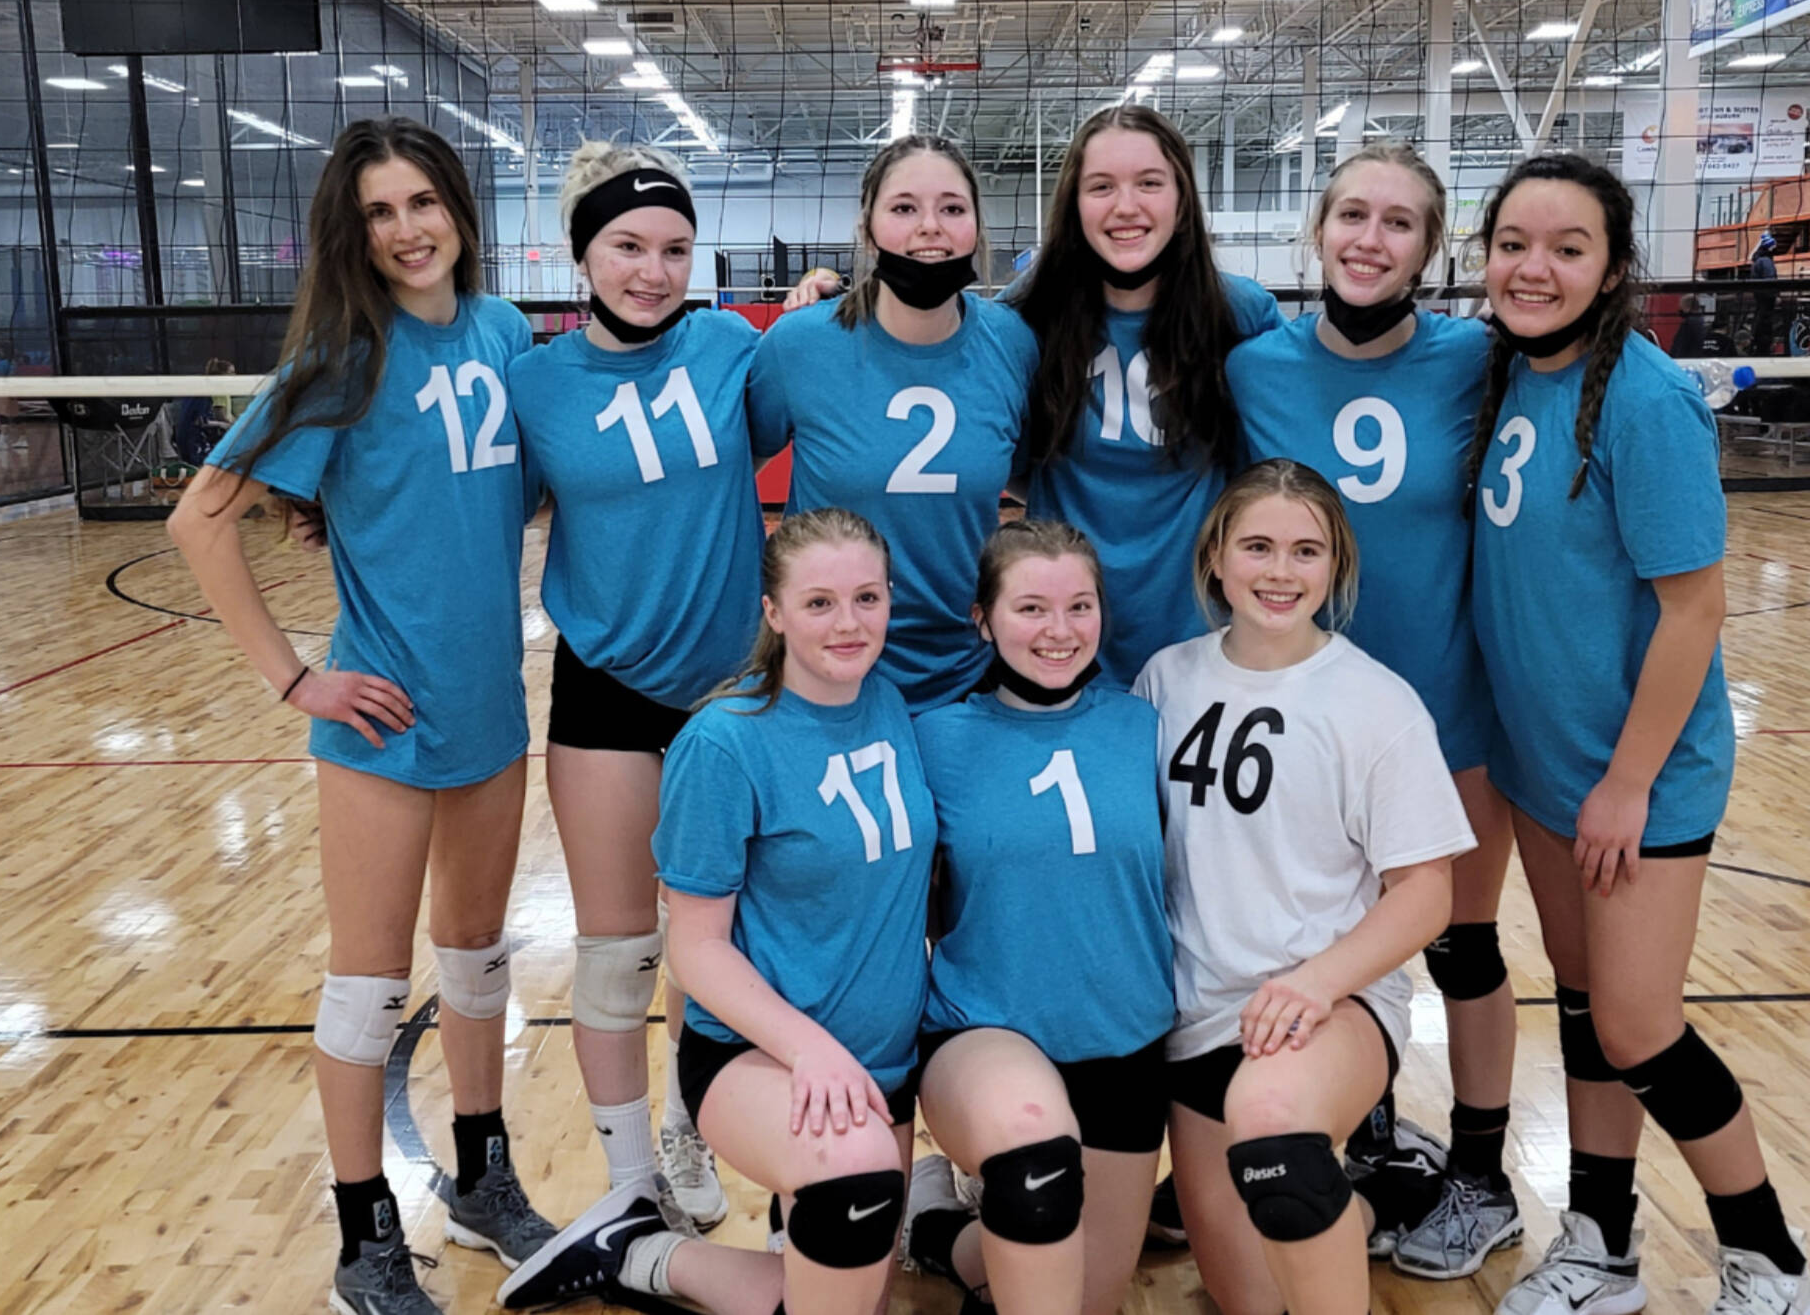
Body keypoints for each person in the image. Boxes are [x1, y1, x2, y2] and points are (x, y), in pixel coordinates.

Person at [166, 117, 552, 1315]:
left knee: (479, 966)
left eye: (422, 203)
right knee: (366, 990)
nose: (405, 230)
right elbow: (198, 518)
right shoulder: (341, 355)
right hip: (379, 723)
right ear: (354, 231)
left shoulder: (504, 333)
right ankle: (362, 1241)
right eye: (378, 213)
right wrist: (296, 679)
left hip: (491, 709)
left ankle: (483, 1182)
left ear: (458, 210)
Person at [1468, 153, 1810, 1315]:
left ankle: (1769, 1260)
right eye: (1513, 241)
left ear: (1612, 266)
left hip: (1634, 778)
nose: (1534, 266)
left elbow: (1693, 608)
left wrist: (1624, 783)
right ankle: (1602, 1239)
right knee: (1581, 1003)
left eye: (1567, 248)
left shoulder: (1644, 397)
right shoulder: (1506, 378)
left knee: (1634, 1021)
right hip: (1538, 761)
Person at [500, 508, 932, 1315]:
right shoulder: (725, 741)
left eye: (867, 599)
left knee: (851, 1287)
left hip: (882, 1068)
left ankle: (646, 1256)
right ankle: (659, 1248)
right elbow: (696, 950)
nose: (849, 623)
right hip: (759, 1059)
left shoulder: (893, 707)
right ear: (772, 613)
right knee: (856, 1191)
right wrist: (809, 1052)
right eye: (819, 603)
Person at [1228, 141, 1523, 1278]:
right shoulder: (1256, 361)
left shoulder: (1475, 358)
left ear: (1430, 247)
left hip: (1441, 706)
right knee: (1325, 936)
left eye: (1398, 222)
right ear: (1317, 228)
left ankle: (1483, 1173)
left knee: (1458, 938)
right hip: (1302, 711)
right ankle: (1366, 1135)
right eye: (1351, 213)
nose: (1369, 238)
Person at [1135, 459, 1469, 1315]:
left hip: (1325, 1008)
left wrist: (1316, 982)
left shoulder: (1374, 703)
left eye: (1305, 552)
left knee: (1275, 1135)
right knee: (1244, 1293)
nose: (1280, 572)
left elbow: (1427, 893)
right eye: (1257, 546)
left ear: (1336, 567)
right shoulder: (1165, 681)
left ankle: (1323, 1194)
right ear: (1215, 557)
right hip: (1195, 1016)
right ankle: (1357, 1207)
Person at [505, 140, 765, 1232]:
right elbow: (473, 507)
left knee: (716, 945)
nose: (652, 269)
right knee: (616, 951)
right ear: (582, 255)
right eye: (626, 245)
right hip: (605, 690)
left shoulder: (730, 350)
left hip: (731, 694)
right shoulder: (533, 381)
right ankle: (629, 1184)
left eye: (673, 248)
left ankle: (687, 1126)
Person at [898, 520, 1174, 1315]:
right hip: (987, 1029)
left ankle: (940, 1235)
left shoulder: (1143, 727)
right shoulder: (934, 739)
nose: (1059, 631)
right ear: (982, 619)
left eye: (1079, 607)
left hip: (1124, 1039)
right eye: (1030, 609)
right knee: (1039, 1183)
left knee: (1088, 1295)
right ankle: (990, 1203)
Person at [747, 134, 1038, 713]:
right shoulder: (801, 345)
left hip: (968, 672)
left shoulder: (1012, 343)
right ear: (868, 228)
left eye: (952, 208)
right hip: (829, 672)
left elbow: (1035, 481)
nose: (929, 226)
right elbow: (730, 480)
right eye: (904, 208)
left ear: (977, 228)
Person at [1006, 104, 1281, 688]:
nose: (1125, 207)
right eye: (1101, 186)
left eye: (1149, 184)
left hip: (1203, 632)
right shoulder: (1026, 317)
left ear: (1181, 200)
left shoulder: (1239, 314)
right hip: (1064, 634)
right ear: (1074, 205)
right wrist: (829, 299)